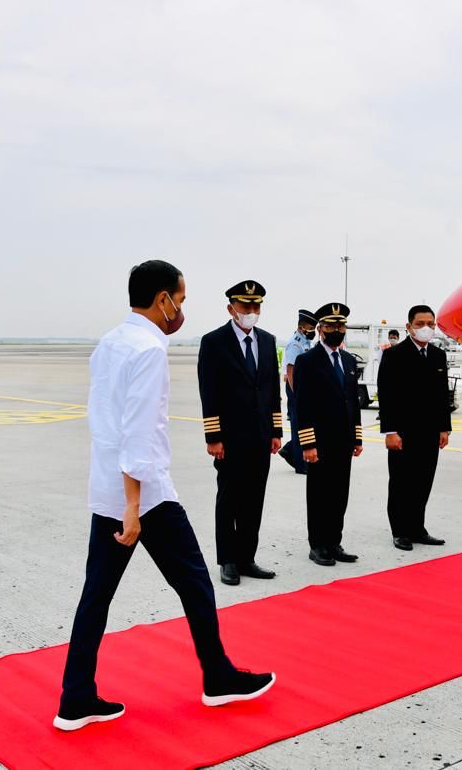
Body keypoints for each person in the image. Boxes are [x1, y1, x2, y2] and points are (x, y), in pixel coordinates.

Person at [54, 261, 274, 732]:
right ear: (163, 300)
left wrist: (119, 496)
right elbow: (139, 434)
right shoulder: (150, 350)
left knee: (96, 595)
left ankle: (75, 697)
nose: (182, 310)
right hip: (145, 493)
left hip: (109, 486)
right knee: (195, 582)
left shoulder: (111, 342)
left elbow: (104, 422)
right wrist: (133, 507)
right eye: (182, 300)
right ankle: (217, 678)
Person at [198, 281, 283, 586]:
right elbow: (209, 392)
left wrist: (276, 430)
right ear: (231, 308)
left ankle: (247, 557)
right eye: (245, 306)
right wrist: (213, 437)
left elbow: (273, 390)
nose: (251, 312)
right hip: (230, 439)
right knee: (230, 499)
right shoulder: (214, 342)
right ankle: (228, 560)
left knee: (254, 500)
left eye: (256, 306)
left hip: (261, 437)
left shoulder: (268, 340)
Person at [293, 302, 363, 566]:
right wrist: (308, 444)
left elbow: (352, 402)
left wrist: (357, 438)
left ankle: (334, 542)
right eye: (332, 326)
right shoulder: (307, 361)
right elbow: (303, 405)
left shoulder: (347, 360)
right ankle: (318, 545)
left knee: (339, 493)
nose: (338, 330)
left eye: (341, 325)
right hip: (319, 442)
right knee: (320, 494)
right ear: (321, 329)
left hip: (343, 441)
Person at [377, 305, 452, 551]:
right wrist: (390, 431)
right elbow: (386, 396)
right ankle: (400, 530)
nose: (426, 328)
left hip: (430, 431)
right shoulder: (394, 355)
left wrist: (444, 428)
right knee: (401, 482)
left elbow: (443, 395)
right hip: (403, 432)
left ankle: (417, 528)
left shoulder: (438, 356)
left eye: (430, 323)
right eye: (420, 324)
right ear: (409, 327)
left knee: (423, 480)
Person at [278, 309, 317, 475]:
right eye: (310, 328)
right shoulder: (295, 343)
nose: (313, 331)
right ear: (302, 328)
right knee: (297, 424)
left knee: (306, 423)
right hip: (296, 386)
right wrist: (296, 394)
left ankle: (288, 450)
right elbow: (291, 370)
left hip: (304, 387)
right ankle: (300, 465)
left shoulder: (305, 342)